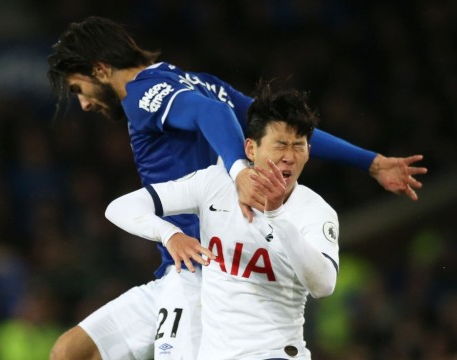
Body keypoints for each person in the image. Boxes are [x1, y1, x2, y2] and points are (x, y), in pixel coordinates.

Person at [47, 16, 426, 360]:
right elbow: (279, 128)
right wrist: (370, 161)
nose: (82, 103)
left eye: (79, 89)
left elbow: (214, 115)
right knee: (70, 351)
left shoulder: (142, 96)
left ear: (99, 69)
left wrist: (240, 171)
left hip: (205, 275)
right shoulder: (199, 82)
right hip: (174, 269)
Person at [105, 79, 338, 359]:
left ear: (309, 152)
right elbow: (120, 207)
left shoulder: (315, 210)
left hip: (276, 354)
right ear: (251, 149)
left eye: (299, 146)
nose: (289, 157)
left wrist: (277, 215)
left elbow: (323, 286)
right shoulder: (215, 184)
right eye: (280, 145)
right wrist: (171, 235)